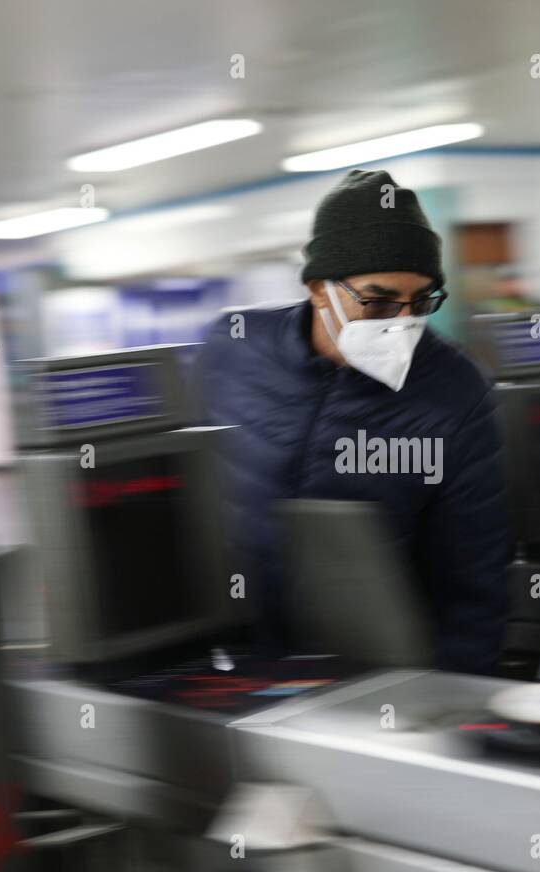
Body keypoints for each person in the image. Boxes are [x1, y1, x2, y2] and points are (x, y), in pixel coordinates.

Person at [198, 169, 510, 675]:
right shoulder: (232, 350)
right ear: (319, 288)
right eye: (379, 300)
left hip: (372, 678)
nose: (402, 320)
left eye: (422, 300)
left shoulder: (455, 393)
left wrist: (451, 704)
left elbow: (475, 583)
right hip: (236, 667)